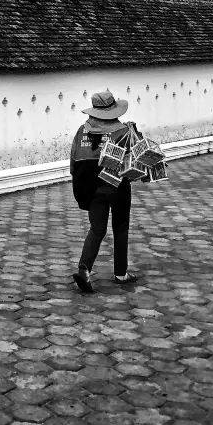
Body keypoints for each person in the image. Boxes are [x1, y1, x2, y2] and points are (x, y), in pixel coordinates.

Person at [70, 90, 142, 294]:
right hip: (118, 186)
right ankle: (121, 274)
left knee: (97, 229)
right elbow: (136, 159)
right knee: (120, 227)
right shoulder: (123, 131)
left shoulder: (81, 131)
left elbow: (73, 165)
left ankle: (84, 269)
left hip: (91, 189)